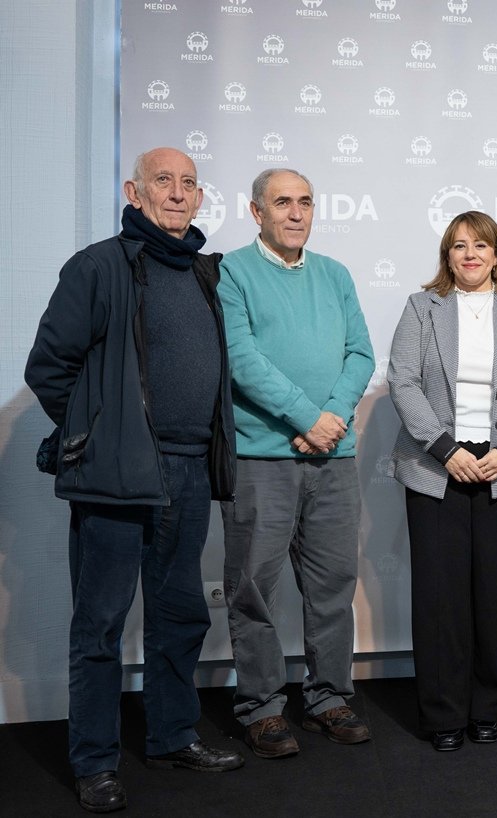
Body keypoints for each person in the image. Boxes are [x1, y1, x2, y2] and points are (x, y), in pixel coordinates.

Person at [26, 147, 244, 813]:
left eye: (187, 184)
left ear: (199, 196)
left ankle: (172, 734)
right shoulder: (98, 266)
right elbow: (49, 365)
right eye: (162, 181)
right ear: (134, 190)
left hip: (189, 470)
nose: (176, 194)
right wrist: (98, 433)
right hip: (117, 473)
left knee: (179, 615)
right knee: (101, 623)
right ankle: (94, 761)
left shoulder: (207, 273)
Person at [218, 168, 375, 759]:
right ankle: (261, 706)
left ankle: (329, 696)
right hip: (262, 457)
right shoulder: (232, 271)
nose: (296, 212)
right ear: (256, 211)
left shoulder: (335, 274)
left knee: (333, 585)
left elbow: (360, 352)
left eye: (305, 202)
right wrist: (307, 419)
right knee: (255, 588)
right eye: (282, 202)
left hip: (333, 456)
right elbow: (241, 360)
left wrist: (329, 418)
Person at [387, 211, 497, 751]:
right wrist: (444, 449)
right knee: (440, 599)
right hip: (436, 466)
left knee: (490, 594)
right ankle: (442, 715)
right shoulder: (422, 307)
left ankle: (488, 707)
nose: (470, 255)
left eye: (480, 245)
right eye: (459, 246)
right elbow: (403, 381)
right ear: (448, 256)